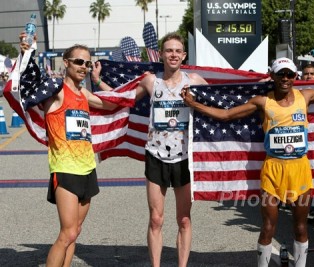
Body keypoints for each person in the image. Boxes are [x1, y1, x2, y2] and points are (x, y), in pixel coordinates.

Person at [180, 57, 314, 267]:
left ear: (295, 76)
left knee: (300, 227)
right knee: (268, 226)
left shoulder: (305, 96)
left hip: (300, 170)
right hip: (273, 170)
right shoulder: (262, 101)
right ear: (273, 76)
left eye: (290, 74)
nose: (286, 79)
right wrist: (193, 104)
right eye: (281, 74)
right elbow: (225, 115)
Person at [91, 32, 208, 267]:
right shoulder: (151, 81)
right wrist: (98, 82)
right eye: (169, 50)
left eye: (177, 51)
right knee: (156, 219)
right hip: (156, 155)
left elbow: (221, 99)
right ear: (161, 55)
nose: (173, 54)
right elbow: (122, 99)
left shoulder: (193, 80)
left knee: (184, 219)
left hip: (185, 158)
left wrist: (259, 87)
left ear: (183, 55)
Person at [19, 32, 119, 267]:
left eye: (87, 63)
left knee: (76, 230)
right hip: (64, 168)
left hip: (87, 168)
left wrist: (98, 79)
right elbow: (29, 80)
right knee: (67, 233)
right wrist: (27, 51)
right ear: (66, 62)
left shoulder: (82, 93)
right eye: (78, 62)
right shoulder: (56, 90)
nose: (83, 67)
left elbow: (111, 103)